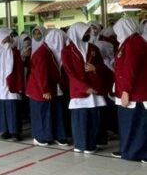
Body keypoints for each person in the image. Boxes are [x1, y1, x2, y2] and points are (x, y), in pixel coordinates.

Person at [62, 22, 113, 154]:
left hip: (94, 88)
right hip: (79, 91)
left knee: (93, 118)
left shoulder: (93, 48)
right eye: (85, 32)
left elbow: (102, 67)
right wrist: (84, 88)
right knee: (80, 118)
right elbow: (70, 74)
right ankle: (80, 144)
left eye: (88, 32)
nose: (88, 34)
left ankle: (91, 144)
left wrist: (95, 68)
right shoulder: (67, 51)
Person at [112, 18, 147, 163]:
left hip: (135, 93)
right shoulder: (128, 42)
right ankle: (129, 150)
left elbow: (130, 69)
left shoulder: (134, 43)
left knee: (137, 125)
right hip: (130, 92)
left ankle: (140, 153)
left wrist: (126, 91)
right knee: (130, 124)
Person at [26, 29, 69, 146]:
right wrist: (44, 89)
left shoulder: (52, 51)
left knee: (56, 113)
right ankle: (41, 137)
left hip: (54, 88)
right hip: (41, 89)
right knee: (42, 114)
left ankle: (58, 135)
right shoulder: (42, 53)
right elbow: (40, 73)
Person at [0, 28, 25, 141]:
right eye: (6, 38)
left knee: (12, 108)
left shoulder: (14, 52)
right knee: (1, 109)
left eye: (9, 38)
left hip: (10, 85)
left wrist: (20, 85)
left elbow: (19, 71)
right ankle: (5, 130)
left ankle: (15, 132)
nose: (8, 40)